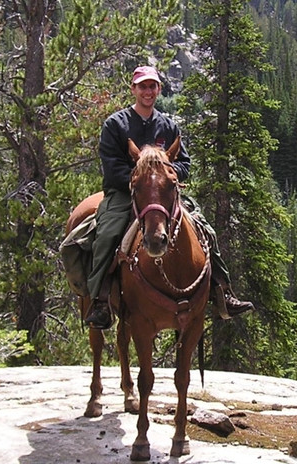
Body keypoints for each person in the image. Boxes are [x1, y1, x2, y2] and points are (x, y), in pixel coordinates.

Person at [83, 65, 253, 329]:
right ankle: (101, 300)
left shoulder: (168, 125)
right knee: (107, 234)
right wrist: (141, 177)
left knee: (204, 228)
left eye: (152, 86)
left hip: (164, 195)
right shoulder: (115, 125)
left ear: (159, 89)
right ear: (134, 89)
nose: (148, 91)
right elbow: (112, 166)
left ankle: (222, 291)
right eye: (143, 86)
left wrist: (165, 174)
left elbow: (184, 162)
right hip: (126, 193)